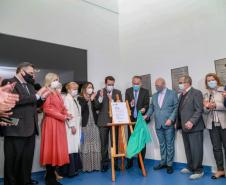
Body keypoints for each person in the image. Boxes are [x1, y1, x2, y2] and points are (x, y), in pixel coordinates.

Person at [1, 62, 48, 185]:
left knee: (27, 159)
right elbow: (15, 100)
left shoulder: (30, 86)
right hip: (15, 128)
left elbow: (33, 104)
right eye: (31, 73)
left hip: (30, 128)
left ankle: (25, 181)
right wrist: (37, 96)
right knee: (13, 160)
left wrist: (41, 98)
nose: (33, 76)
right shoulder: (9, 82)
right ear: (22, 71)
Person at [40, 73, 72, 185]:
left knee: (56, 150)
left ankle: (52, 177)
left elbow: (62, 108)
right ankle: (50, 179)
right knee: (51, 150)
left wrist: (67, 114)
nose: (58, 82)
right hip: (51, 124)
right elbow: (47, 109)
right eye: (55, 80)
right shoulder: (46, 92)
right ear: (49, 81)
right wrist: (63, 116)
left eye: (58, 79)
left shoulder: (56, 93)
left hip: (58, 124)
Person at [144, 78, 178, 174]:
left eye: (158, 85)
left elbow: (176, 107)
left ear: (164, 84)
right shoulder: (154, 96)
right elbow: (151, 107)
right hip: (158, 124)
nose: (156, 87)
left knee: (170, 145)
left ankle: (169, 165)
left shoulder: (172, 93)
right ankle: (163, 162)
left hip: (168, 124)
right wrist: (147, 115)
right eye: (155, 85)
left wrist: (171, 119)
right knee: (162, 145)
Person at [176, 75, 205, 180]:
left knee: (196, 149)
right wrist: (177, 122)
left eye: (180, 82)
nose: (179, 84)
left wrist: (192, 121)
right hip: (184, 127)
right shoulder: (181, 95)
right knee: (188, 149)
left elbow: (199, 110)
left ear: (187, 83)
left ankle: (199, 170)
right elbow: (180, 110)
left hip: (195, 127)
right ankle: (190, 167)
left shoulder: (196, 93)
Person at [96, 76, 122, 172]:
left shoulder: (118, 92)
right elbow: (96, 106)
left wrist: (113, 101)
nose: (110, 86)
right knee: (104, 144)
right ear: (105, 83)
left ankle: (115, 164)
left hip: (115, 121)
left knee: (115, 143)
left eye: (112, 84)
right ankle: (105, 164)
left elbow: (120, 106)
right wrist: (101, 98)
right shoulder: (100, 92)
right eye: (109, 84)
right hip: (103, 121)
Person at [203, 73, 226, 179]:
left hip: (224, 123)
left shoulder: (223, 90)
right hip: (212, 124)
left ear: (217, 80)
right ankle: (220, 170)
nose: (211, 82)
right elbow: (204, 111)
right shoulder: (206, 94)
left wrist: (215, 105)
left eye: (212, 80)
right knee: (216, 148)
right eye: (208, 80)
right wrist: (207, 107)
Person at [125, 75, 150, 169]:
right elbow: (126, 104)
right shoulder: (128, 91)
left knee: (141, 141)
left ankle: (141, 163)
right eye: (134, 83)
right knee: (131, 141)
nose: (135, 85)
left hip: (140, 119)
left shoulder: (145, 91)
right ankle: (129, 162)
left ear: (141, 83)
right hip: (131, 120)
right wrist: (130, 105)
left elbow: (147, 104)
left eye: (137, 83)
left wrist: (144, 108)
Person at [59, 82, 82, 177]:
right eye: (73, 88)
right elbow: (67, 113)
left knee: (74, 148)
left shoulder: (74, 99)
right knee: (70, 149)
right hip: (71, 127)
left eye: (76, 88)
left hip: (77, 126)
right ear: (68, 89)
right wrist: (72, 126)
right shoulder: (67, 99)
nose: (75, 90)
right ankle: (70, 171)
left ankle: (74, 170)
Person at [78, 82, 102, 172]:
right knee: (85, 145)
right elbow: (81, 110)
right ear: (84, 88)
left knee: (95, 143)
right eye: (89, 87)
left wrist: (95, 99)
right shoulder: (80, 98)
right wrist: (87, 100)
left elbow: (97, 107)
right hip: (85, 125)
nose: (90, 89)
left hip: (94, 124)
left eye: (91, 87)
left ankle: (96, 166)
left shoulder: (93, 97)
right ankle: (87, 167)